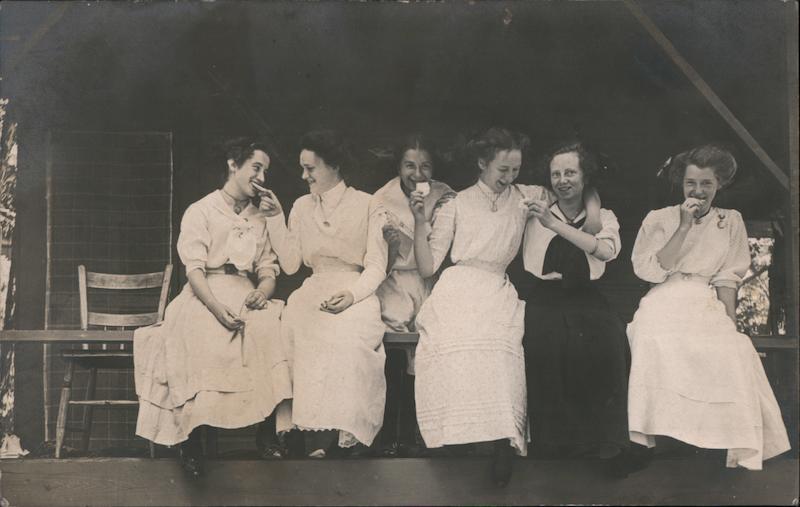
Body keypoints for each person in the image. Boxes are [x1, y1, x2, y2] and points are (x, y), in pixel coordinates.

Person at [134, 138, 292, 478]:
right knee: (203, 332)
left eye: (265, 170)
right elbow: (193, 270)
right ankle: (194, 439)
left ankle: (267, 436)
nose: (262, 176)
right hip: (204, 292)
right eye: (256, 167)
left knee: (269, 327)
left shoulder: (261, 216)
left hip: (246, 290)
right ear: (234, 165)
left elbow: (267, 271)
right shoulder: (202, 210)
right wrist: (217, 308)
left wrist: (262, 293)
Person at [627, 144, 790, 470]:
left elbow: (727, 279)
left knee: (730, 348)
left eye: (706, 184)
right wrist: (684, 225)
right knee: (651, 339)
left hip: (704, 300)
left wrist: (729, 321)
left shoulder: (730, 222)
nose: (698, 192)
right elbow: (651, 270)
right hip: (664, 296)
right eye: (691, 184)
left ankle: (719, 440)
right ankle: (654, 437)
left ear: (719, 185)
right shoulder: (659, 219)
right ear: (681, 184)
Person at [412, 127, 557, 486]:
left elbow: (579, 191)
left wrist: (593, 209)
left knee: (498, 348)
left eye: (515, 170)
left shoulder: (528, 196)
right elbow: (429, 265)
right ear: (481, 164)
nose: (509, 178)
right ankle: (454, 438)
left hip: (496, 286)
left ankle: (501, 442)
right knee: (452, 342)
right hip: (459, 286)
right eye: (501, 171)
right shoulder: (456, 204)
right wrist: (419, 222)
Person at [259, 130, 388, 458]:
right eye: (302, 168)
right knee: (293, 327)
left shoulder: (368, 204)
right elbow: (290, 265)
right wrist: (275, 218)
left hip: (355, 290)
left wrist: (352, 295)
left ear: (335, 166)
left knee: (343, 337)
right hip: (315, 287)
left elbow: (376, 266)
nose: (304, 176)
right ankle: (298, 432)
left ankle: (335, 437)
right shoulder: (302, 206)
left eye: (311, 169)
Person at [522, 141, 633, 476]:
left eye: (570, 172)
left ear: (585, 178)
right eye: (556, 174)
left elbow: (603, 252)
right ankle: (554, 447)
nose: (562, 179)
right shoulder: (536, 210)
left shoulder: (604, 217)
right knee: (546, 347)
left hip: (587, 295)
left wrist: (572, 220)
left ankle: (606, 445)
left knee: (610, 343)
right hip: (545, 295)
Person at [370, 133, 456, 457]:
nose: (417, 174)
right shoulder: (381, 198)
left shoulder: (445, 197)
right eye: (409, 165)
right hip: (392, 281)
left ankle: (419, 431)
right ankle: (390, 430)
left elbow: (433, 259)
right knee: (392, 341)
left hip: (428, 282)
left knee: (431, 345)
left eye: (425, 166)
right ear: (398, 166)